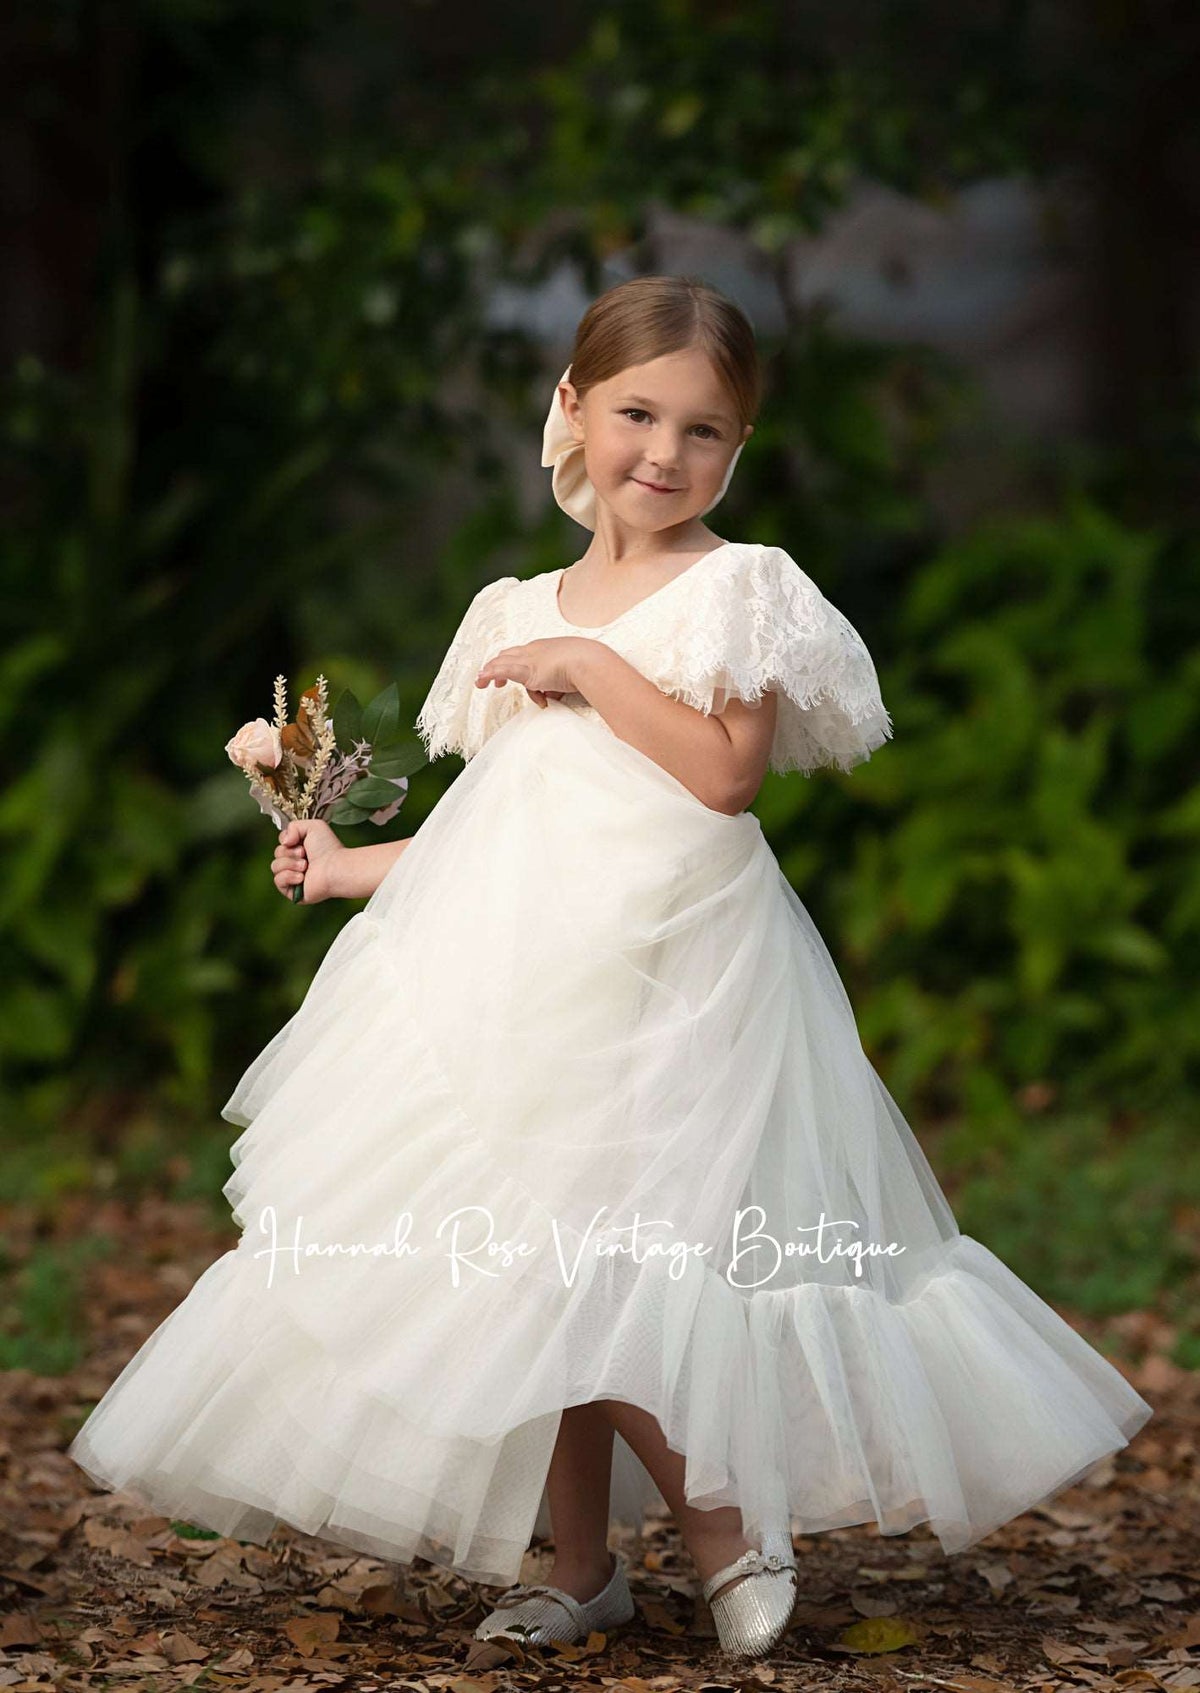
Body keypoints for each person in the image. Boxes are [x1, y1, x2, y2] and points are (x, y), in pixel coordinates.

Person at [68, 275, 1154, 1668]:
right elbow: (495, 834)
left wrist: (593, 664)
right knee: (540, 1262)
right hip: (527, 988)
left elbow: (725, 778)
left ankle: (720, 1522)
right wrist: (343, 865)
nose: (664, 452)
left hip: (684, 981)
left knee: (634, 1247)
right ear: (574, 407)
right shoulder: (514, 604)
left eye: (705, 432)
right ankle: (582, 1568)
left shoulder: (735, 589)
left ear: (738, 449)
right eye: (639, 413)